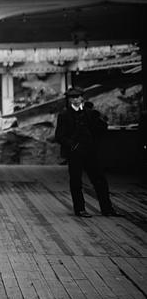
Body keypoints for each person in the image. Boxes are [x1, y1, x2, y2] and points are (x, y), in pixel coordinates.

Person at [54, 87, 119, 218]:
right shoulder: (64, 115)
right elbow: (59, 136)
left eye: (78, 97)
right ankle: (80, 209)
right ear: (69, 100)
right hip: (75, 153)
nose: (76, 100)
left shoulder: (90, 113)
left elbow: (101, 129)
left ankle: (107, 209)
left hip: (91, 151)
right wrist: (73, 146)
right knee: (76, 182)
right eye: (73, 97)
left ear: (82, 98)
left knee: (100, 180)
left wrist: (100, 120)